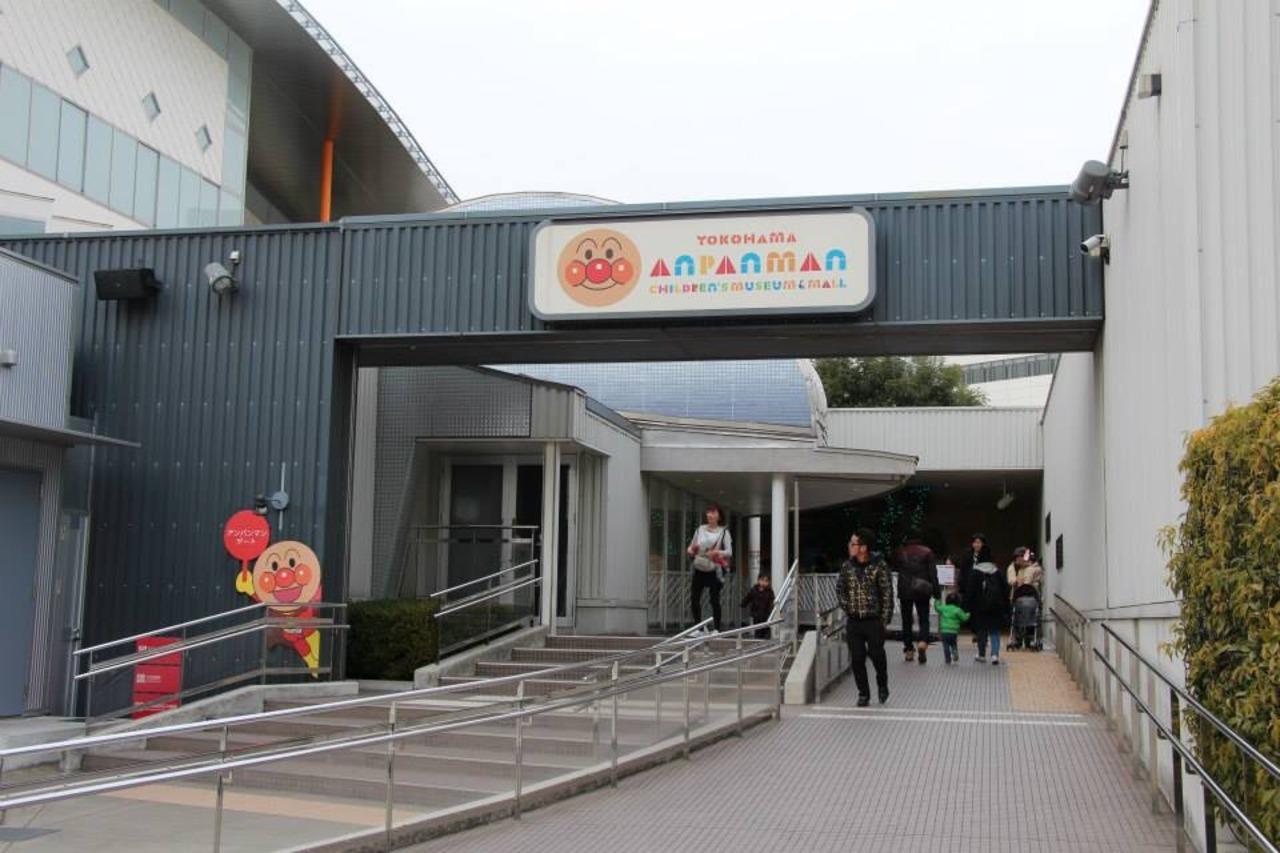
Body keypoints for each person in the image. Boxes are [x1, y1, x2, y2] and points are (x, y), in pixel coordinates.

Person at [837, 528, 894, 707]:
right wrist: (848, 607)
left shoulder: (879, 565)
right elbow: (840, 590)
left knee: (877, 655)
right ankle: (863, 693)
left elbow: (887, 593)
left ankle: (882, 684)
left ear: (863, 547)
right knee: (857, 658)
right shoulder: (847, 566)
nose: (850, 546)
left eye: (853, 543)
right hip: (854, 621)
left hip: (873, 621)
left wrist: (884, 620)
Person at [890, 533, 940, 664]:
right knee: (924, 619)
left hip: (904, 589)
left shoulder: (900, 552)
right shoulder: (927, 552)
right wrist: (937, 593)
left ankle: (908, 650)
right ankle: (922, 642)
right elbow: (933, 573)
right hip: (921, 588)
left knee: (906, 620)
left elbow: (895, 567)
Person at [687, 503, 732, 633]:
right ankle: (699, 629)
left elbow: (729, 552)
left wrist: (717, 553)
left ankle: (716, 628)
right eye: (709, 512)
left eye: (713, 512)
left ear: (719, 516)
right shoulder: (700, 529)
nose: (710, 515)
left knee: (714, 599)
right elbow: (691, 546)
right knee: (694, 598)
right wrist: (691, 550)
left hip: (714, 568)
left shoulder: (724, 532)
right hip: (699, 566)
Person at [964, 553, 1008, 664]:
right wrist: (1006, 606)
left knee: (981, 631)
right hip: (996, 607)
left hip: (980, 607)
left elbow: (970, 591)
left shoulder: (975, 572)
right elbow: (1005, 590)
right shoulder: (997, 572)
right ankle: (995, 655)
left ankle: (982, 654)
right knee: (995, 631)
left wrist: (966, 606)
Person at [1007, 547, 1044, 650]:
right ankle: (1020, 639)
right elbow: (1012, 580)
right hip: (1019, 598)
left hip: (1030, 598)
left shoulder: (1032, 569)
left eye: (1019, 557)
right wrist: (1017, 581)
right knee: (1018, 619)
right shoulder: (1015, 568)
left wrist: (1021, 582)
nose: (1017, 560)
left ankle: (1028, 639)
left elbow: (1027, 582)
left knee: (1028, 620)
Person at [956, 533, 993, 608]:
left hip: (982, 587)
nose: (977, 545)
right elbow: (963, 571)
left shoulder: (987, 556)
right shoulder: (967, 555)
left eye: (979, 543)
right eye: (975, 542)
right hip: (968, 585)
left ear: (983, 544)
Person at [932, 592, 970, 665]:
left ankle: (948, 659)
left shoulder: (944, 608)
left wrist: (937, 600)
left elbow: (937, 607)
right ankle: (954, 651)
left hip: (944, 631)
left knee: (946, 645)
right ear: (958, 601)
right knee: (953, 643)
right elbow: (964, 618)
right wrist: (968, 614)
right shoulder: (958, 610)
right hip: (954, 632)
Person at [740, 574, 775, 639]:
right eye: (762, 580)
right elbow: (748, 597)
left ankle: (766, 640)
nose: (764, 583)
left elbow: (771, 602)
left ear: (768, 582)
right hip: (756, 614)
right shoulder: (754, 590)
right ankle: (758, 640)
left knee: (766, 631)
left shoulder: (769, 591)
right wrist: (743, 603)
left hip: (766, 615)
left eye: (766, 581)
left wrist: (771, 610)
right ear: (758, 580)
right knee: (757, 631)